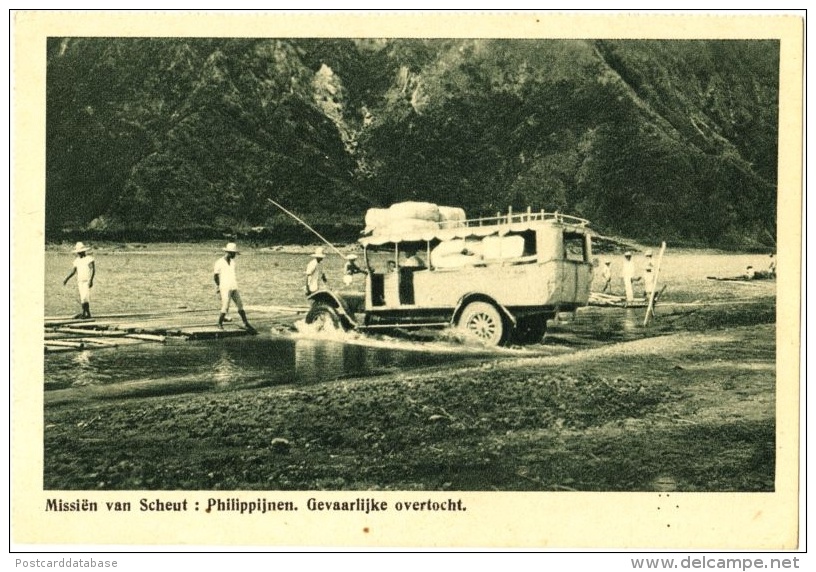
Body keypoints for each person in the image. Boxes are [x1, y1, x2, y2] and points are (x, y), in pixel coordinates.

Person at [213, 242, 256, 334]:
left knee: (240, 304)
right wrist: (218, 286)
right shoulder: (219, 262)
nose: (234, 255)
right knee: (225, 306)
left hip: (233, 286)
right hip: (225, 287)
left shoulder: (232, 262)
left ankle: (245, 323)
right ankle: (219, 323)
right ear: (228, 252)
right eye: (233, 253)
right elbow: (216, 276)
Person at [62, 241, 95, 319]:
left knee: (85, 297)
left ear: (84, 251)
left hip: (86, 280)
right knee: (83, 298)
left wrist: (91, 280)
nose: (80, 253)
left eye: (81, 252)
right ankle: (87, 313)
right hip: (80, 281)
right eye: (79, 252)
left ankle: (85, 313)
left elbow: (93, 269)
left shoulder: (89, 259)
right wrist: (67, 279)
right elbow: (73, 271)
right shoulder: (76, 261)